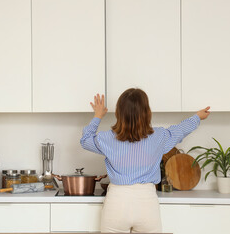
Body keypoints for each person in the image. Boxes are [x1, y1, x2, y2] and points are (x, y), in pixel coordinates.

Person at [80, 88, 210, 233]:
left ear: (119, 112)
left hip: (117, 203)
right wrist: (197, 117)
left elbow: (85, 140)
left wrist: (98, 116)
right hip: (147, 204)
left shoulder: (107, 138)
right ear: (147, 112)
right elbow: (180, 130)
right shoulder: (159, 137)